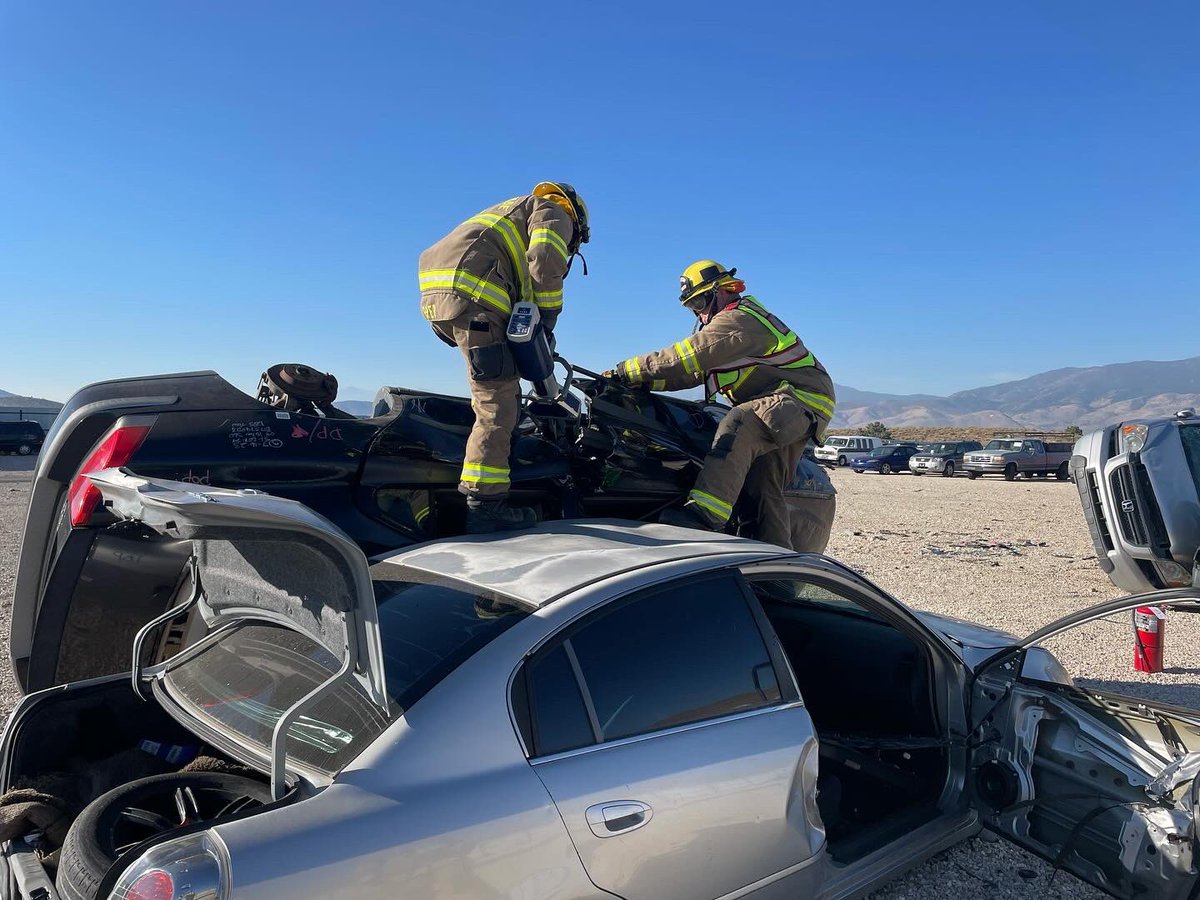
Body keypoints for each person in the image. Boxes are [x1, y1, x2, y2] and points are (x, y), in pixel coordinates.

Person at [605, 260, 835, 549]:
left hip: (798, 398)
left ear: (722, 291)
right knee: (763, 487)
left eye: (700, 302)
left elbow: (685, 356)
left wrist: (625, 370)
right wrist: (643, 384)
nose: (699, 315)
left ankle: (703, 518)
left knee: (741, 422)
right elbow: (691, 373)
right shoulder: (729, 330)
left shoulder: (739, 320)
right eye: (692, 308)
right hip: (793, 406)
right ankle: (774, 559)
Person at [418, 183, 589, 533]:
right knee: (496, 401)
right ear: (578, 221)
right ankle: (485, 506)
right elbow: (544, 263)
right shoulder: (554, 211)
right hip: (477, 294)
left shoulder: (515, 211)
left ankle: (493, 468)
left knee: (497, 388)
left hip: (445, 298)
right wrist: (549, 319)